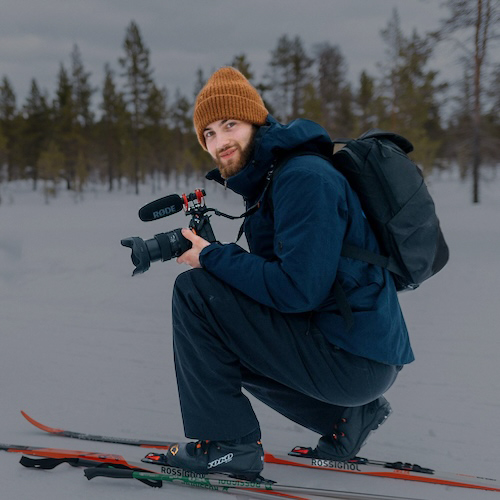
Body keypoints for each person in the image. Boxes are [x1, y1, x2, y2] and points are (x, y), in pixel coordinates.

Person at [164, 67, 414, 480]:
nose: (220, 141)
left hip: (353, 358)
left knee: (195, 292)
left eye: (230, 124)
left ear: (257, 122)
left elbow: (298, 290)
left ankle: (230, 445)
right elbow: (287, 281)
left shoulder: (303, 178)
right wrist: (217, 256)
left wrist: (211, 258)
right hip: (356, 352)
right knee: (222, 326)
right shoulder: (276, 177)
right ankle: (348, 418)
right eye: (208, 133)